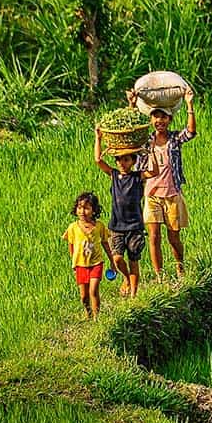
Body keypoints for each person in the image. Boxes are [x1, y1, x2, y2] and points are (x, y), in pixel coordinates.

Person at [128, 88, 196, 280]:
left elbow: (191, 132)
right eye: (156, 117)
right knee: (154, 237)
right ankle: (160, 276)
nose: (160, 121)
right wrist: (132, 104)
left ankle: (180, 269)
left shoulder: (174, 139)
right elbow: (131, 134)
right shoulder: (146, 141)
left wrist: (189, 103)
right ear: (151, 120)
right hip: (151, 196)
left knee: (174, 238)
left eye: (164, 117)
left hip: (172, 194)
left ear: (170, 120)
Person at [93, 128, 158, 298]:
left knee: (134, 260)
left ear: (133, 161)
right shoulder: (114, 175)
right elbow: (98, 160)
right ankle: (127, 278)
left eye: (126, 159)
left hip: (135, 227)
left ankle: (134, 295)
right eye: (119, 159)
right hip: (116, 226)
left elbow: (155, 171)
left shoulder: (138, 176)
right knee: (117, 258)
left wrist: (151, 152)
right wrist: (98, 139)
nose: (122, 162)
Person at [62, 192, 112, 320]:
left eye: (86, 208)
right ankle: (88, 312)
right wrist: (74, 262)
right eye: (79, 207)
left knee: (93, 290)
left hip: (96, 263)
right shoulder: (73, 227)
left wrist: (112, 261)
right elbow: (71, 245)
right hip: (81, 264)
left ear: (94, 210)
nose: (82, 211)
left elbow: (105, 243)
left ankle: (96, 318)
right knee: (84, 296)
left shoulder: (99, 226)